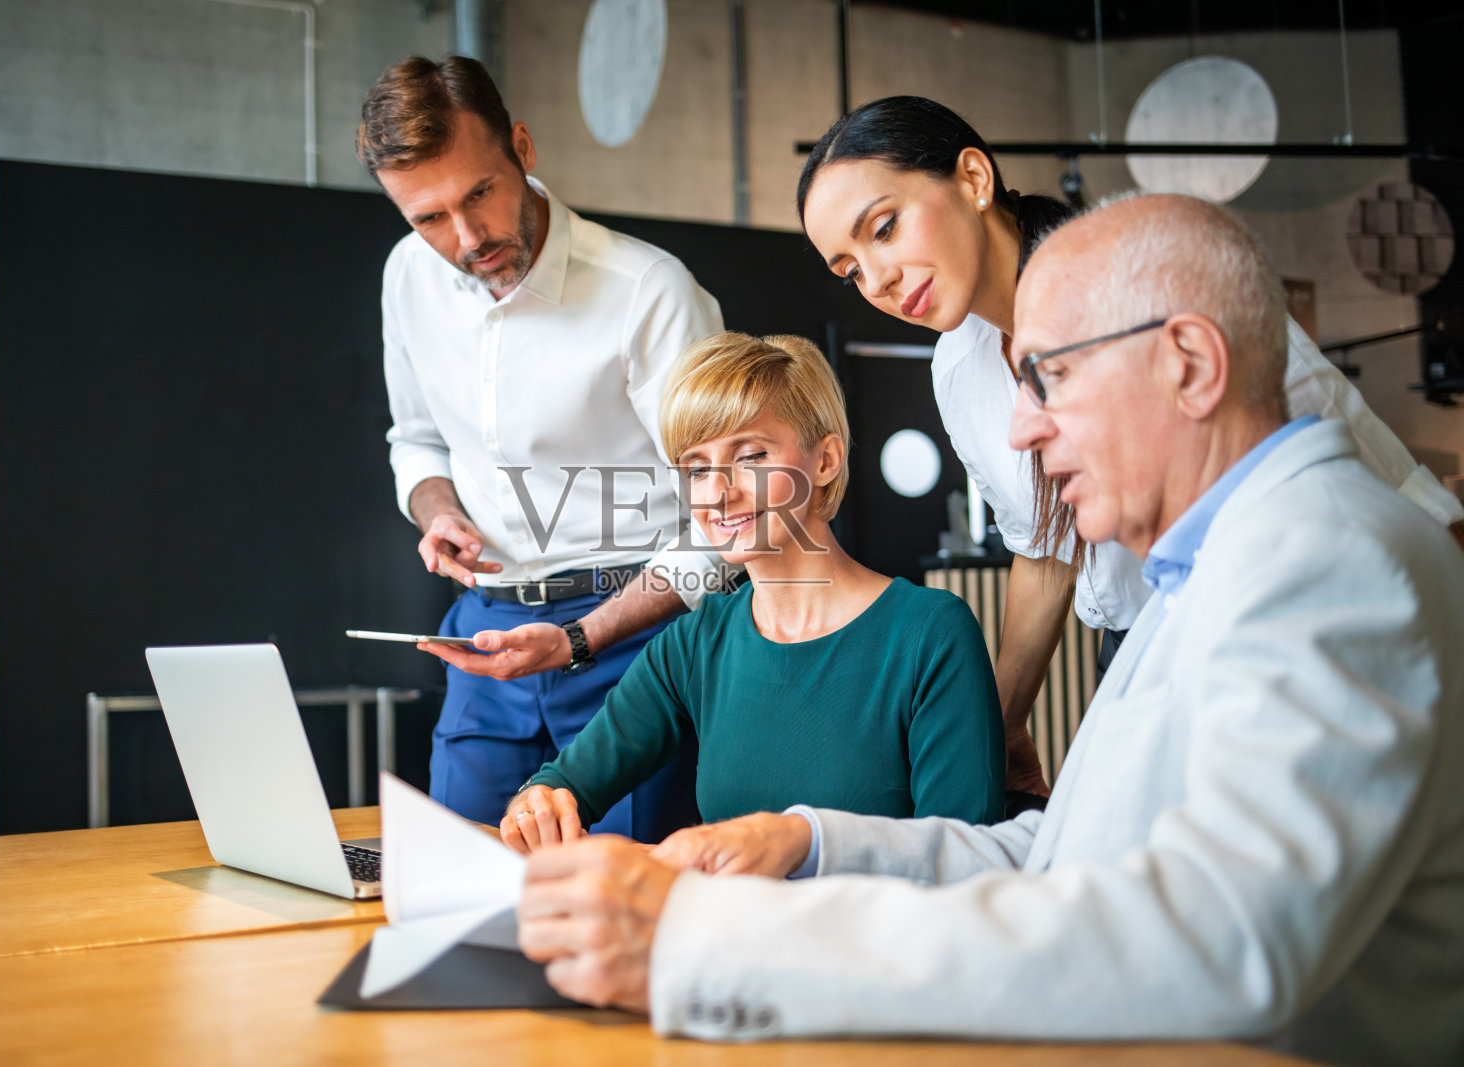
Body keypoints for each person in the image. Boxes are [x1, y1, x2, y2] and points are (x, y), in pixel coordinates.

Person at [514, 195, 1464, 1067]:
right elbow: (1059, 854)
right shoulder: (1211, 571)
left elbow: (1216, 941)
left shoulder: (1326, 561)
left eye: (1046, 376)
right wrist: (800, 837)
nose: (1020, 431)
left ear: (1190, 363)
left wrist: (712, 942)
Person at [795, 96, 1464, 809]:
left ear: (973, 177)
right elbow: (1047, 545)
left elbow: (1340, 451)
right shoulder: (955, 369)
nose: (878, 279)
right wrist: (999, 725)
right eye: (849, 270)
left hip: (1289, 612)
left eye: (885, 228)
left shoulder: (1145, 277)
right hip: (1134, 648)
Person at [355, 56, 727, 841]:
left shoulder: (650, 292)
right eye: (426, 218)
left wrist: (582, 638)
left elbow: (724, 523)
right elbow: (416, 440)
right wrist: (440, 511)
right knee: (458, 891)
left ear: (522, 147)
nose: (465, 239)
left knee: (624, 918)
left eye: (479, 194)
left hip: (638, 644)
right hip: (487, 636)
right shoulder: (407, 278)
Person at [500, 332, 1005, 853]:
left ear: (826, 459)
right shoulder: (695, 644)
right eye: (697, 469)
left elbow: (965, 863)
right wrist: (535, 805)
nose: (720, 492)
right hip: (729, 931)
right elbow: (562, 784)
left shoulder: (930, 634)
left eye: (751, 456)